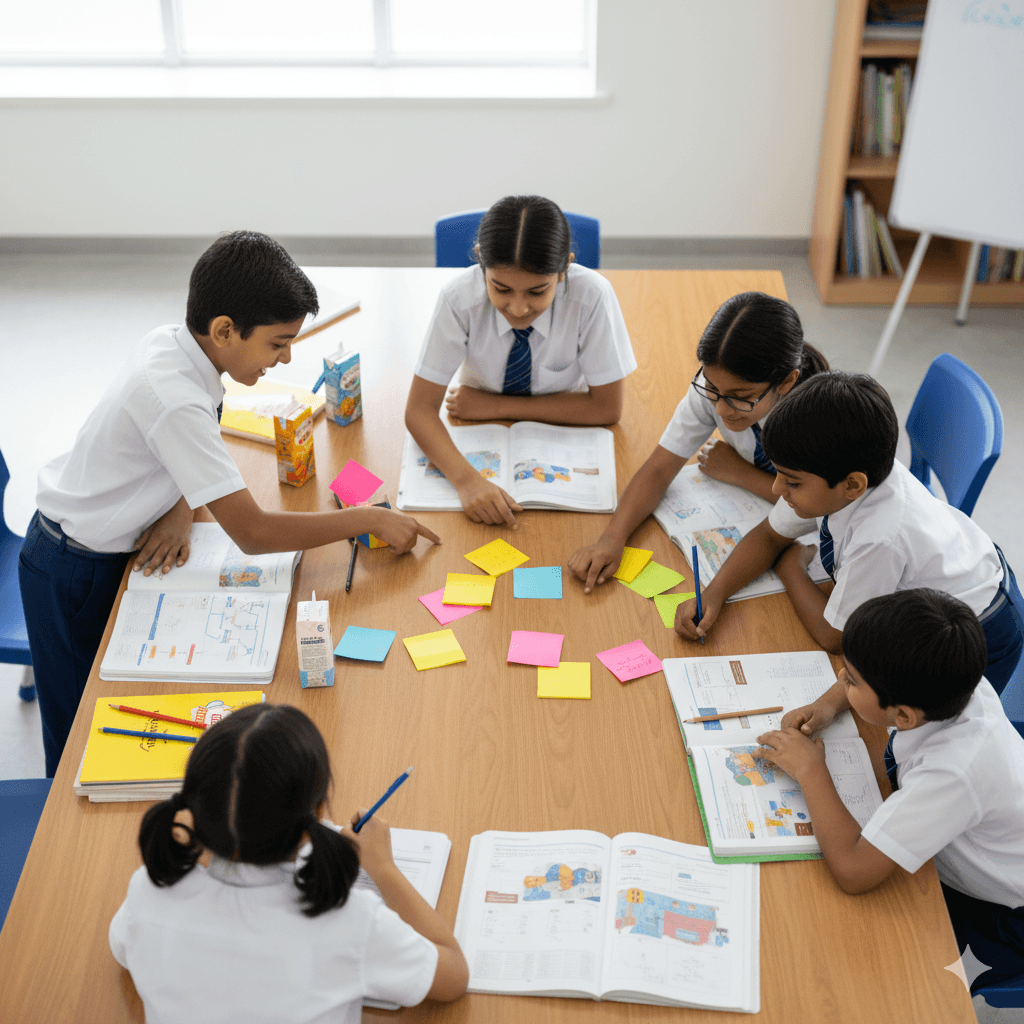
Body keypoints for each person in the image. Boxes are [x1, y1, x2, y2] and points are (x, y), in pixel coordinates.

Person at [19, 231, 441, 776]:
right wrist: (368, 517)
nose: (287, 357)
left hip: (109, 545)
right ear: (224, 330)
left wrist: (177, 506)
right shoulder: (173, 397)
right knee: (81, 739)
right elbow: (253, 533)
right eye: (277, 343)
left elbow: (178, 441)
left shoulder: (179, 347)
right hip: (72, 569)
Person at [109, 703, 469, 1022]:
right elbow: (453, 976)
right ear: (316, 813)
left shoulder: (149, 889)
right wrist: (384, 869)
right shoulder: (350, 920)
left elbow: (123, 951)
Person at [675, 370, 1023, 694]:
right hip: (961, 572)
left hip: (980, 634)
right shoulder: (841, 473)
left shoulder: (879, 537)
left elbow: (835, 636)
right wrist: (714, 594)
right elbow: (770, 536)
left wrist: (791, 569)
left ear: (853, 485)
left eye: (791, 481)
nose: (778, 488)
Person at [751, 590, 1024, 992]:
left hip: (998, 904)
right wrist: (829, 705)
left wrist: (811, 771)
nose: (841, 682)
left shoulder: (953, 772)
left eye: (850, 680)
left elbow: (854, 871)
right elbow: (871, 683)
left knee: (868, 964)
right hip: (971, 835)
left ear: (903, 716)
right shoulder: (953, 678)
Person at [569, 292, 828, 591]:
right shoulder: (720, 389)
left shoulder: (818, 423)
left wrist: (740, 474)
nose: (720, 408)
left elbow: (819, 507)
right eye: (711, 387)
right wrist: (612, 539)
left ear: (785, 382)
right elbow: (659, 469)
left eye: (740, 398)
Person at [404, 194, 636, 527]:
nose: (518, 308)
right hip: (479, 427)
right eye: (501, 288)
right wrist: (467, 481)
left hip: (559, 426)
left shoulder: (593, 296)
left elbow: (607, 409)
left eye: (537, 292)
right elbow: (418, 411)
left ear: (563, 269)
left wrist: (495, 406)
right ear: (482, 263)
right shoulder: (458, 299)